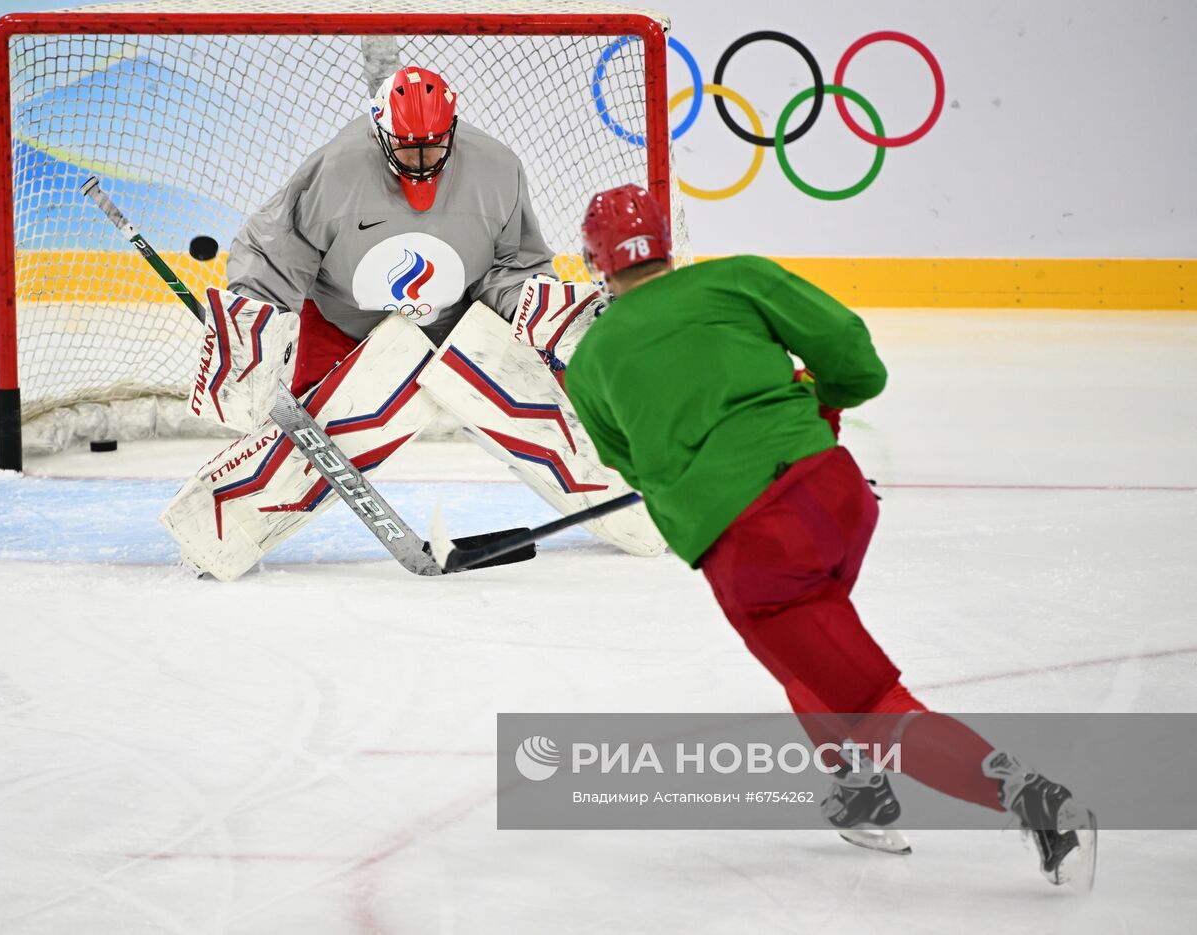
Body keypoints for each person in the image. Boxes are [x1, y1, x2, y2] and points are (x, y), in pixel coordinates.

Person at [562, 183, 1096, 889]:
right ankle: (859, 791)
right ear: (668, 241)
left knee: (872, 704)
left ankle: (1030, 797)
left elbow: (631, 464)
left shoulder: (592, 362)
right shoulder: (740, 277)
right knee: (813, 657)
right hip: (835, 496)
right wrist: (822, 401)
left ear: (597, 265)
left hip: (755, 551)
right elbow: (852, 355)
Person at [158, 69, 662, 581]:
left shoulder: (497, 169)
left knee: (541, 418)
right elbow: (273, 254)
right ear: (380, 130)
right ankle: (215, 528)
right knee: (309, 443)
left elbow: (513, 266)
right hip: (342, 324)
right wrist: (250, 329)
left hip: (458, 324)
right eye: (407, 147)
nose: (421, 161)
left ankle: (648, 510)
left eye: (433, 145)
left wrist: (544, 310)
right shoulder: (337, 169)